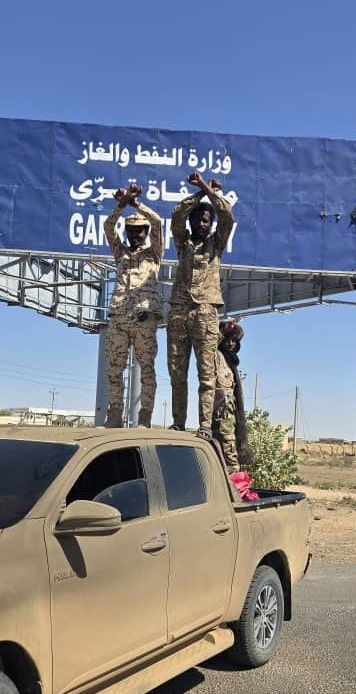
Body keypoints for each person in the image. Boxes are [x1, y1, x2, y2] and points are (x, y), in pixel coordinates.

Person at [167, 171, 234, 438]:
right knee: (176, 373)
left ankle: (204, 425)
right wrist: (200, 194)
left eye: (208, 221)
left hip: (206, 313)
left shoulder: (216, 243)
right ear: (193, 221)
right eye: (200, 220)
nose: (204, 224)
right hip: (179, 312)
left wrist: (209, 190)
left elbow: (227, 215)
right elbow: (176, 215)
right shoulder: (182, 242)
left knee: (207, 376)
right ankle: (178, 422)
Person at [102, 184, 164, 428]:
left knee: (147, 369)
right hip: (119, 318)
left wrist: (136, 204)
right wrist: (122, 204)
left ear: (146, 233)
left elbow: (158, 222)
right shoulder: (121, 254)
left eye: (140, 231)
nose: (136, 235)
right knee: (114, 369)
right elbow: (108, 226)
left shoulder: (154, 253)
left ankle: (145, 417)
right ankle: (115, 413)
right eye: (131, 231)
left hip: (143, 319)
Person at [213, 318, 250, 473]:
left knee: (230, 462)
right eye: (228, 340)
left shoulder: (232, 364)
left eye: (235, 341)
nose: (231, 344)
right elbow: (209, 343)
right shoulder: (216, 357)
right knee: (228, 463)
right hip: (219, 421)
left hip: (229, 421)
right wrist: (223, 330)